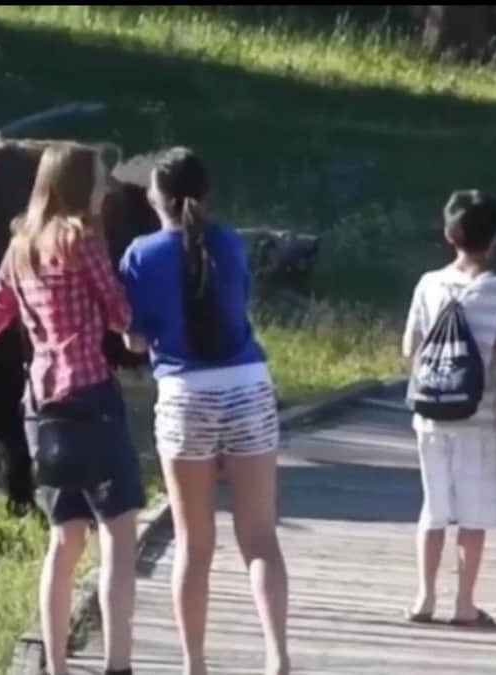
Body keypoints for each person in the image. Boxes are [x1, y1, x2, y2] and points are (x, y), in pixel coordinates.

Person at [117, 147, 290, 675]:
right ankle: (278, 656)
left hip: (185, 394)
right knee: (259, 536)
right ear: (206, 194)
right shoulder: (230, 243)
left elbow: (135, 339)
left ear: (154, 197)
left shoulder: (140, 255)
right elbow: (237, 308)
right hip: (246, 386)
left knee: (194, 543)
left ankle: (195, 665)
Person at [0, 142, 142, 675]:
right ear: (77, 187)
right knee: (118, 532)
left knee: (64, 538)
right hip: (91, 395)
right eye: (96, 181)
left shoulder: (19, 245)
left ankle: (56, 664)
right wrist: (133, 331)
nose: (104, 189)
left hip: (41, 408)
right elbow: (119, 313)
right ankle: (118, 663)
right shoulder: (82, 240)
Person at [400, 190, 496, 628]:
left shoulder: (428, 283)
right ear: (495, 239)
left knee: (433, 508)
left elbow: (409, 347)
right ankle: (464, 603)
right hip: (479, 417)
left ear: (449, 234)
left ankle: (424, 598)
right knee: (473, 514)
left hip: (430, 415)